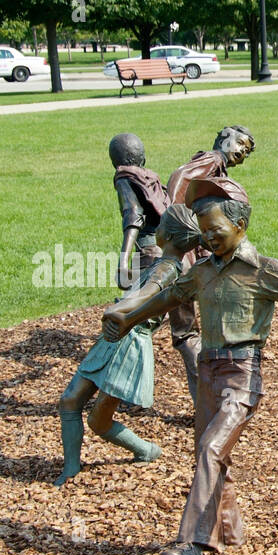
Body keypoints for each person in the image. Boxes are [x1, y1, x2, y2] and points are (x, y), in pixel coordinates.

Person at [102, 179, 278, 555]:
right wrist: (127, 316)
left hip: (242, 375)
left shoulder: (263, 271)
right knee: (212, 455)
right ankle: (231, 533)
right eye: (203, 231)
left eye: (216, 230)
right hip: (208, 373)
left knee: (210, 449)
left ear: (241, 225)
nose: (208, 238)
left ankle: (191, 545)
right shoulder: (202, 272)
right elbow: (170, 297)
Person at [55, 205, 202, 486]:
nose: (155, 229)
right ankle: (71, 469)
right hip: (116, 337)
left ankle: (146, 450)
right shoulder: (163, 263)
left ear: (168, 236)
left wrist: (120, 309)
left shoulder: (169, 269)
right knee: (70, 401)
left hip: (129, 345)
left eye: (160, 226)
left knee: (98, 421)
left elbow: (148, 294)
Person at [163, 125, 257, 404]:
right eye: (240, 144)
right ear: (224, 138)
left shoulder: (217, 171)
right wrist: (180, 226)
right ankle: (209, 400)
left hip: (189, 254)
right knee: (186, 332)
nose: (242, 153)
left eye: (247, 151)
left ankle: (210, 397)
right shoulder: (212, 160)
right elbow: (179, 179)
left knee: (185, 329)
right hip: (183, 255)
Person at [109, 133, 168, 292]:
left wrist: (123, 262)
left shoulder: (125, 178)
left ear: (114, 163)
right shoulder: (150, 179)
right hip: (170, 250)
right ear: (143, 159)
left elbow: (134, 215)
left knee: (138, 313)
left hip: (148, 255)